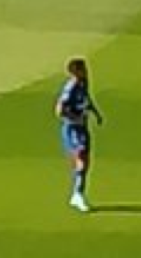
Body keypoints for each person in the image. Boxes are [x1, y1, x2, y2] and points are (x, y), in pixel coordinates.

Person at [56, 57, 103, 213]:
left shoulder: (83, 83)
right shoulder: (71, 87)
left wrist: (95, 113)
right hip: (73, 129)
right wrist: (75, 119)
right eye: (83, 68)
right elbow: (59, 110)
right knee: (81, 159)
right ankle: (77, 195)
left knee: (85, 163)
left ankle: (78, 192)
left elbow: (86, 99)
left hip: (82, 129)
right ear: (76, 71)